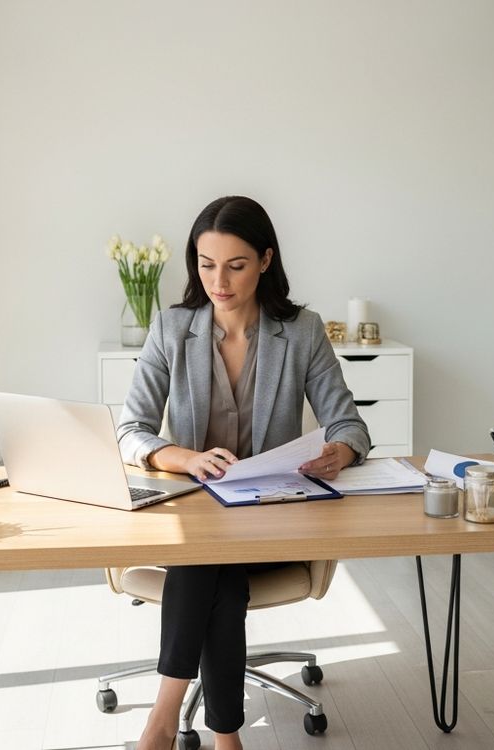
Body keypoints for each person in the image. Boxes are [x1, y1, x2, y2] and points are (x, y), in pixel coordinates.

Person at [117, 195, 370, 749]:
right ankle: (226, 736)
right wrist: (183, 457)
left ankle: (161, 722)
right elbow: (131, 429)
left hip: (269, 520)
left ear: (265, 260)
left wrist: (341, 453)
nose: (219, 281)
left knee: (206, 563)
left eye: (235, 265)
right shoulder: (171, 328)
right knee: (214, 570)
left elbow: (349, 424)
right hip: (193, 517)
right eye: (206, 265)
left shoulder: (300, 332)